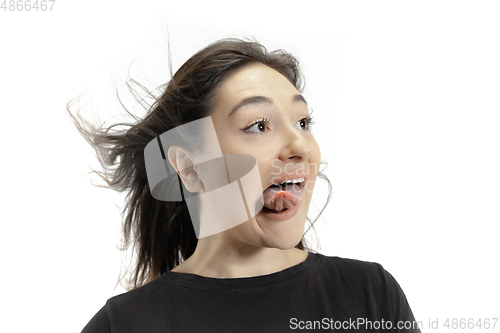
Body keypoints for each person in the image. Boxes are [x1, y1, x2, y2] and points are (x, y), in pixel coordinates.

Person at [70, 37, 421, 332]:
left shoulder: (371, 295)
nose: (300, 146)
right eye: (258, 126)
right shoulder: (126, 324)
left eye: (302, 121)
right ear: (190, 169)